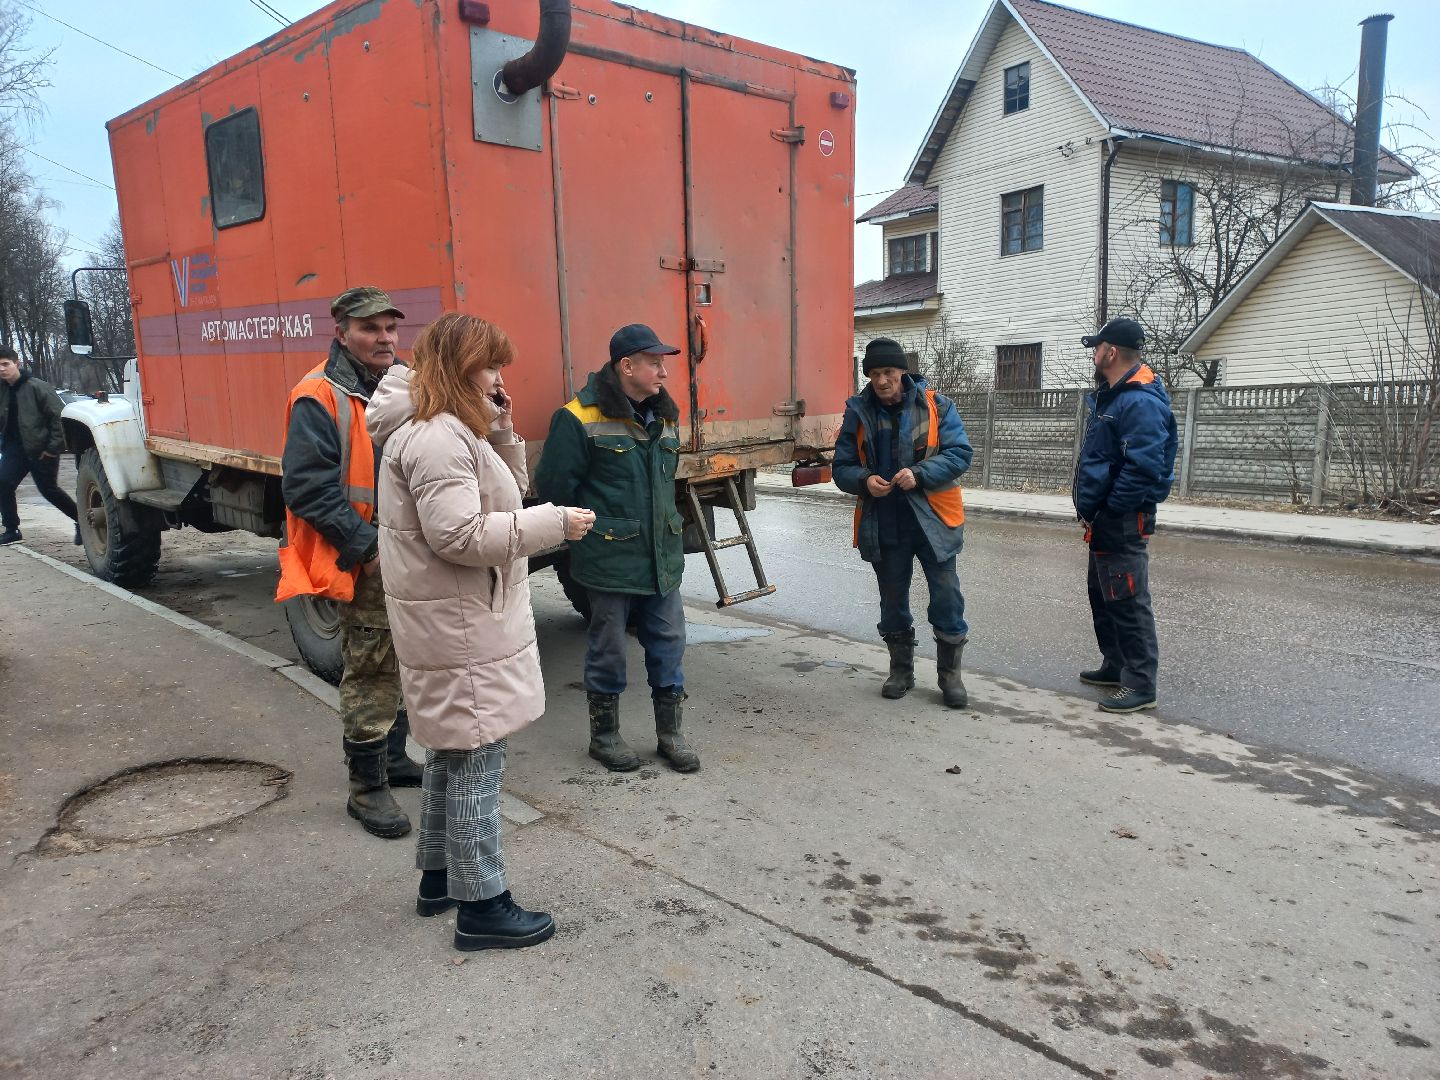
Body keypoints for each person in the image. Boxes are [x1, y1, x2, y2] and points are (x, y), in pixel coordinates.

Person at [366, 312, 594, 951]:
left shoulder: (447, 430)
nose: (500, 378)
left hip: (457, 621)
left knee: (452, 754)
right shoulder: (437, 436)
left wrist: (501, 427)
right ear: (459, 368)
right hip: (462, 624)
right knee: (475, 763)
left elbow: (503, 493)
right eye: (490, 366)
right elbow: (461, 534)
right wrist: (556, 524)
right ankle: (483, 904)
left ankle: (438, 879)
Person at [276, 286, 424, 839]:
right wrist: (365, 548)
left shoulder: (406, 383)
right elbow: (308, 488)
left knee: (407, 657)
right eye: (370, 329)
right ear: (342, 333)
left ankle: (395, 756)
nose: (384, 338)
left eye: (390, 327)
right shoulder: (319, 395)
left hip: (409, 551)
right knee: (370, 668)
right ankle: (366, 789)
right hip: (368, 555)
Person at [533, 323, 698, 773]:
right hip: (608, 558)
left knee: (669, 641)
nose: (663, 372)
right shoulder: (577, 416)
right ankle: (604, 736)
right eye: (655, 363)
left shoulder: (665, 415)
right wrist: (590, 531)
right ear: (627, 366)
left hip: (661, 558)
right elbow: (554, 488)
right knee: (608, 647)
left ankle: (671, 734)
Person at [832, 338, 974, 708]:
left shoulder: (937, 406)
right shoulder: (858, 413)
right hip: (885, 521)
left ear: (902, 373)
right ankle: (901, 672)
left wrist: (921, 473)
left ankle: (950, 678)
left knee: (947, 597)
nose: (882, 381)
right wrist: (864, 481)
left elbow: (960, 454)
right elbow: (842, 467)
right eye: (875, 373)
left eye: (889, 373)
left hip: (933, 521)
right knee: (892, 600)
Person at [1072, 317, 1178, 714]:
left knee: (1129, 600)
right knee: (1105, 595)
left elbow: (1144, 467)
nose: (1094, 354)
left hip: (1121, 518)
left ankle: (1140, 683)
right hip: (1103, 519)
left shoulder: (1139, 400)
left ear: (1110, 352)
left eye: (1097, 347)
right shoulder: (1115, 395)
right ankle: (1115, 664)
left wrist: (1112, 508)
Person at [0, 346, 81, 547]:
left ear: (17, 364)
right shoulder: (2, 390)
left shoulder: (37, 387)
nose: (2, 369)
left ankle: (82, 522)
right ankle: (12, 530)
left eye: (5, 364)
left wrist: (53, 448)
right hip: (14, 449)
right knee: (3, 484)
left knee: (49, 491)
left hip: (41, 450)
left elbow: (59, 419)